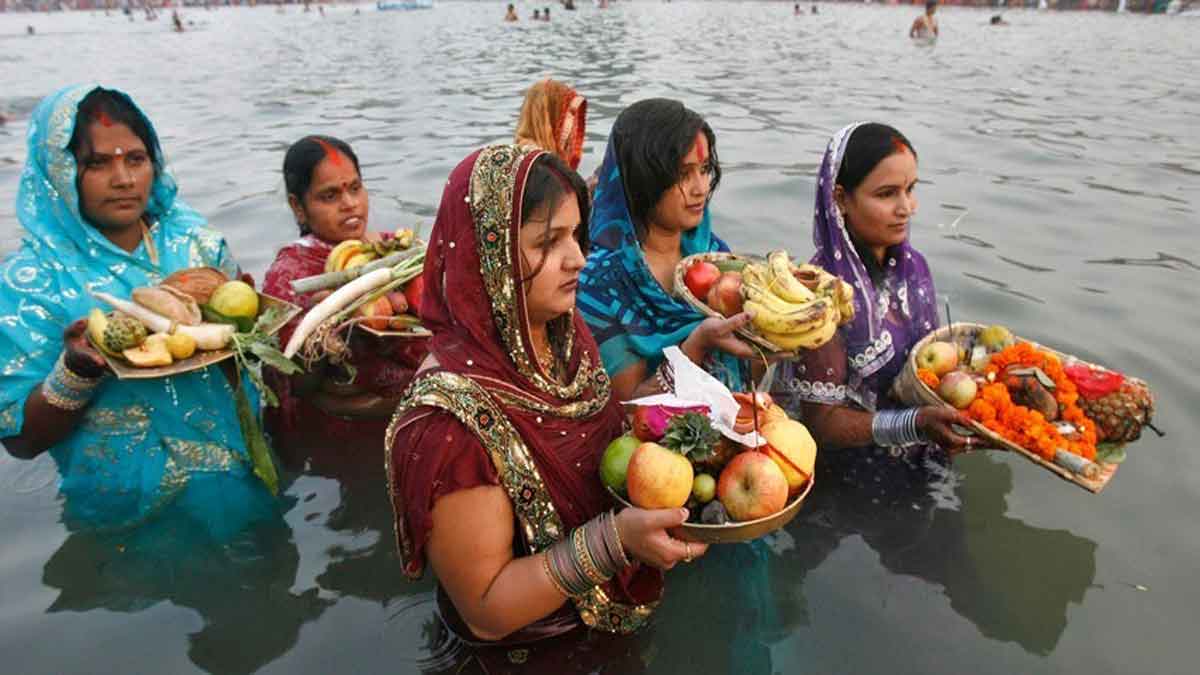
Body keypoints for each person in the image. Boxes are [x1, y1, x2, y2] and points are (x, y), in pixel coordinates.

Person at [387, 144, 702, 651]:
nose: (578, 258)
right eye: (547, 242)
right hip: (529, 651)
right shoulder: (448, 422)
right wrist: (616, 541)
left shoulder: (559, 332)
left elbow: (597, 439)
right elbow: (487, 610)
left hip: (606, 622)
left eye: (575, 235)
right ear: (487, 257)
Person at [0, 85, 277, 539]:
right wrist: (76, 371)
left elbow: (253, 363)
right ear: (59, 172)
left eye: (135, 158)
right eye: (96, 163)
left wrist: (251, 331)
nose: (124, 178)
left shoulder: (196, 246)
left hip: (239, 480)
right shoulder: (33, 281)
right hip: (124, 515)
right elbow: (21, 440)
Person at [771, 123, 974, 491]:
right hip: (847, 481)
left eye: (910, 190)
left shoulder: (914, 269)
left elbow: (926, 367)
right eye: (886, 194)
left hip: (923, 452)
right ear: (841, 199)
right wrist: (913, 424)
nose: (906, 208)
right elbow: (823, 423)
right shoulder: (819, 296)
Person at [577, 99, 758, 402]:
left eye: (704, 170)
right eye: (684, 174)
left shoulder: (712, 255)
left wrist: (774, 348)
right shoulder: (598, 283)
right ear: (641, 179)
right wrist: (696, 345)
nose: (700, 188)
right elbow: (628, 409)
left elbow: (741, 375)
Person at [262, 135, 426, 446]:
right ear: (298, 207)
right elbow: (295, 382)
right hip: (338, 438)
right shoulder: (291, 275)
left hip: (409, 418)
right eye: (329, 196)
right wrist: (326, 332)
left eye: (355, 188)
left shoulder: (396, 249)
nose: (350, 204)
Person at [514, 78, 587, 172]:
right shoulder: (543, 163)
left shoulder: (516, 153)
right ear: (553, 115)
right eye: (566, 116)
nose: (572, 126)